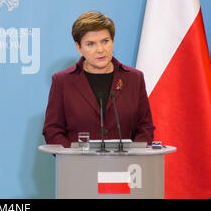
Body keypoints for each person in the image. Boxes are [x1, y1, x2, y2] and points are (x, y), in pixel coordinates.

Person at [42, 11, 155, 147]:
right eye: (91, 44)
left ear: (113, 41)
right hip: (78, 166)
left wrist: (134, 156)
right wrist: (71, 158)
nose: (100, 50)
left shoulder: (134, 78)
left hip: (126, 166)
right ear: (79, 48)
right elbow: (52, 130)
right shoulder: (62, 81)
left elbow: (145, 127)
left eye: (105, 41)